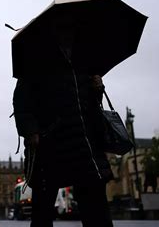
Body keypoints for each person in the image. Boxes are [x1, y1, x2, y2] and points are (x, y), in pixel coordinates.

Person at [13, 53, 114, 226]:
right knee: (42, 212)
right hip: (49, 145)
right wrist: (31, 132)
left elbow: (88, 104)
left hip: (85, 145)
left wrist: (97, 90)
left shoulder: (84, 60)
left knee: (97, 211)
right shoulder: (34, 61)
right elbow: (21, 104)